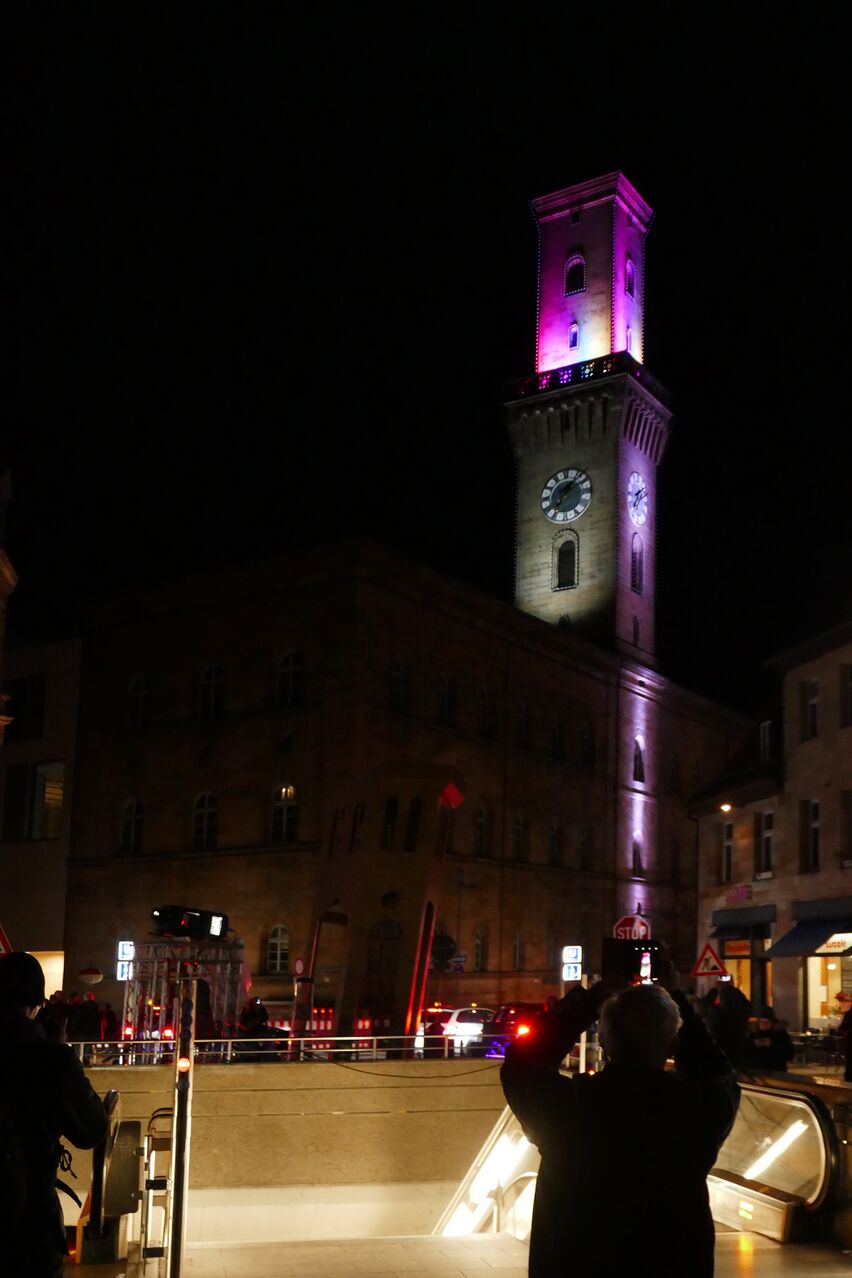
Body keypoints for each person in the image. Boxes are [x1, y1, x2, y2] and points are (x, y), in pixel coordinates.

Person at [501, 969, 740, 1278]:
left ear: (604, 1042)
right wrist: (677, 999)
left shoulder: (568, 1107)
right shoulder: (696, 1109)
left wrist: (588, 1002)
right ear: (673, 1046)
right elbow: (718, 1072)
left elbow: (521, 1062)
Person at [0, 951, 108, 1278]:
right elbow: (91, 1130)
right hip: (29, 1233)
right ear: (37, 1003)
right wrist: (59, 1050)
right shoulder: (48, 1060)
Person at [742, 1009, 795, 1073]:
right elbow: (743, 1054)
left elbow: (789, 1055)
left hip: (775, 1071)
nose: (764, 1024)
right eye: (762, 1021)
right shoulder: (753, 1035)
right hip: (755, 1070)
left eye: (767, 1021)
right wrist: (753, 1044)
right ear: (758, 1022)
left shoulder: (781, 1035)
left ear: (772, 1023)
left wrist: (773, 1045)